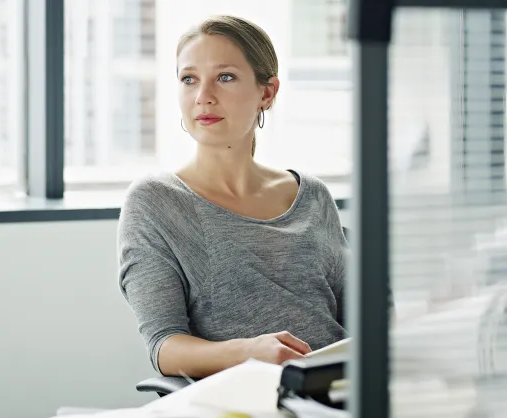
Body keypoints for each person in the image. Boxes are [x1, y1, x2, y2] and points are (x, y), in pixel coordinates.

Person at [117, 15, 348, 379]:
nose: (203, 97)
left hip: (338, 390)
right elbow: (164, 345)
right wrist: (250, 351)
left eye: (225, 77)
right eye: (189, 79)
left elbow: (362, 315)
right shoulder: (155, 202)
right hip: (243, 397)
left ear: (266, 93)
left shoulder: (313, 196)